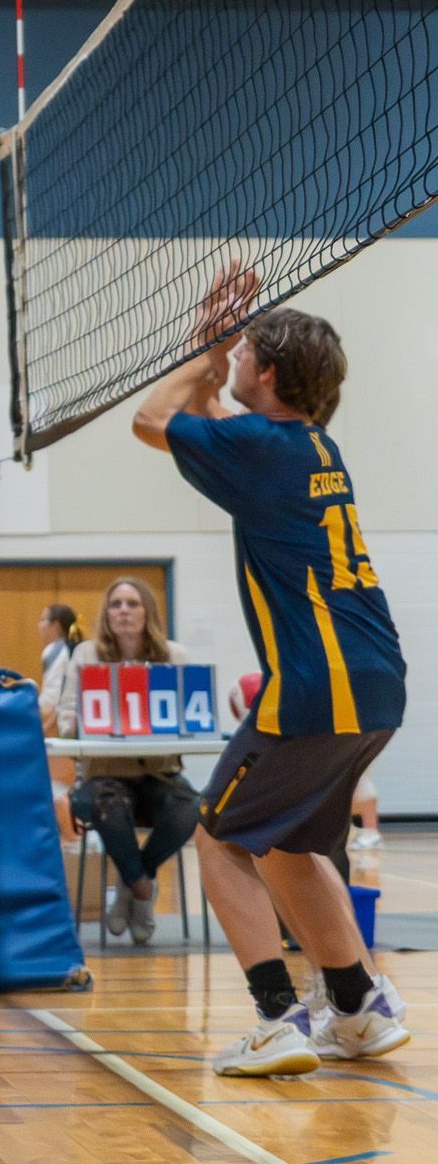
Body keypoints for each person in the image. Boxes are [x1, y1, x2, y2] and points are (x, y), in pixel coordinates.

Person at [134, 266, 409, 1076]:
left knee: (216, 838)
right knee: (287, 845)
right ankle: (356, 1008)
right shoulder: (310, 447)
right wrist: (214, 353)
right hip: (377, 683)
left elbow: (151, 421)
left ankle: (275, 1017)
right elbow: (207, 422)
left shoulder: (257, 447)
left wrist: (203, 353)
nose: (236, 358)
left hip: (316, 683)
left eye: (247, 350)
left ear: (271, 373)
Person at [56, 577, 198, 944]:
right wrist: (80, 722)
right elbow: (65, 717)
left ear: (147, 611)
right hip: (103, 775)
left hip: (160, 773)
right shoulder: (86, 654)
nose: (123, 611)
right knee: (108, 804)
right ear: (106, 613)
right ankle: (144, 890)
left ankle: (131, 880)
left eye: (132, 604)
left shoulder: (174, 655)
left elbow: (190, 715)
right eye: (115, 604)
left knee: (190, 807)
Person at [37, 603, 80, 735]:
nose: (38, 624)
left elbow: (52, 696)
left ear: (55, 625)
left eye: (42, 619)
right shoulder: (73, 648)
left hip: (58, 720)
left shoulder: (53, 650)